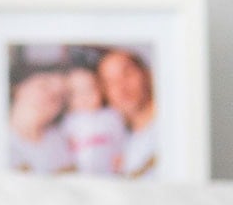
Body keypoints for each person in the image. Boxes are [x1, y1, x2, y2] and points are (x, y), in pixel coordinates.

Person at [97, 48, 159, 179]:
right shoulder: (124, 142)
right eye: (110, 82)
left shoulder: (174, 129)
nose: (121, 87)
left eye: (127, 74)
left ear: (147, 74)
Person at [61, 54, 128, 175]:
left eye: (89, 89)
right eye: (76, 92)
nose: (84, 97)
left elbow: (122, 143)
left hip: (110, 174)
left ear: (101, 90)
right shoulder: (68, 122)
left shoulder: (112, 116)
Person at [5, 66, 72, 173]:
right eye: (43, 86)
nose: (50, 96)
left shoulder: (59, 141)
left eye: (60, 96)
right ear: (18, 88)